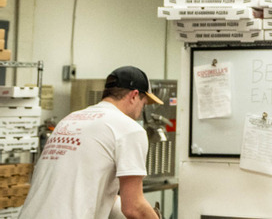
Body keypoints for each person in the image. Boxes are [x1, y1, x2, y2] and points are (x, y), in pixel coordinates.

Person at [19, 66, 164, 219]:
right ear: (134, 96)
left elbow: (84, 190)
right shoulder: (130, 129)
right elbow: (134, 208)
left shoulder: (70, 120)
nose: (141, 112)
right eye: (144, 103)